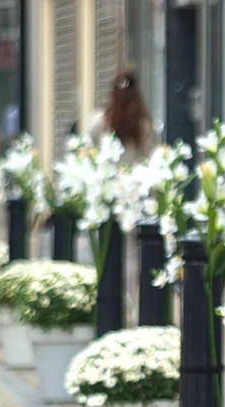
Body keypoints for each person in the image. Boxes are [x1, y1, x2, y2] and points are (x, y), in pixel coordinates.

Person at [88, 70, 156, 326]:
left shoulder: (101, 121)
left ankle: (110, 306)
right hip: (134, 196)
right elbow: (149, 161)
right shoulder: (143, 124)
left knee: (108, 251)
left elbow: (88, 152)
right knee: (133, 256)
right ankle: (134, 307)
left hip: (109, 196)